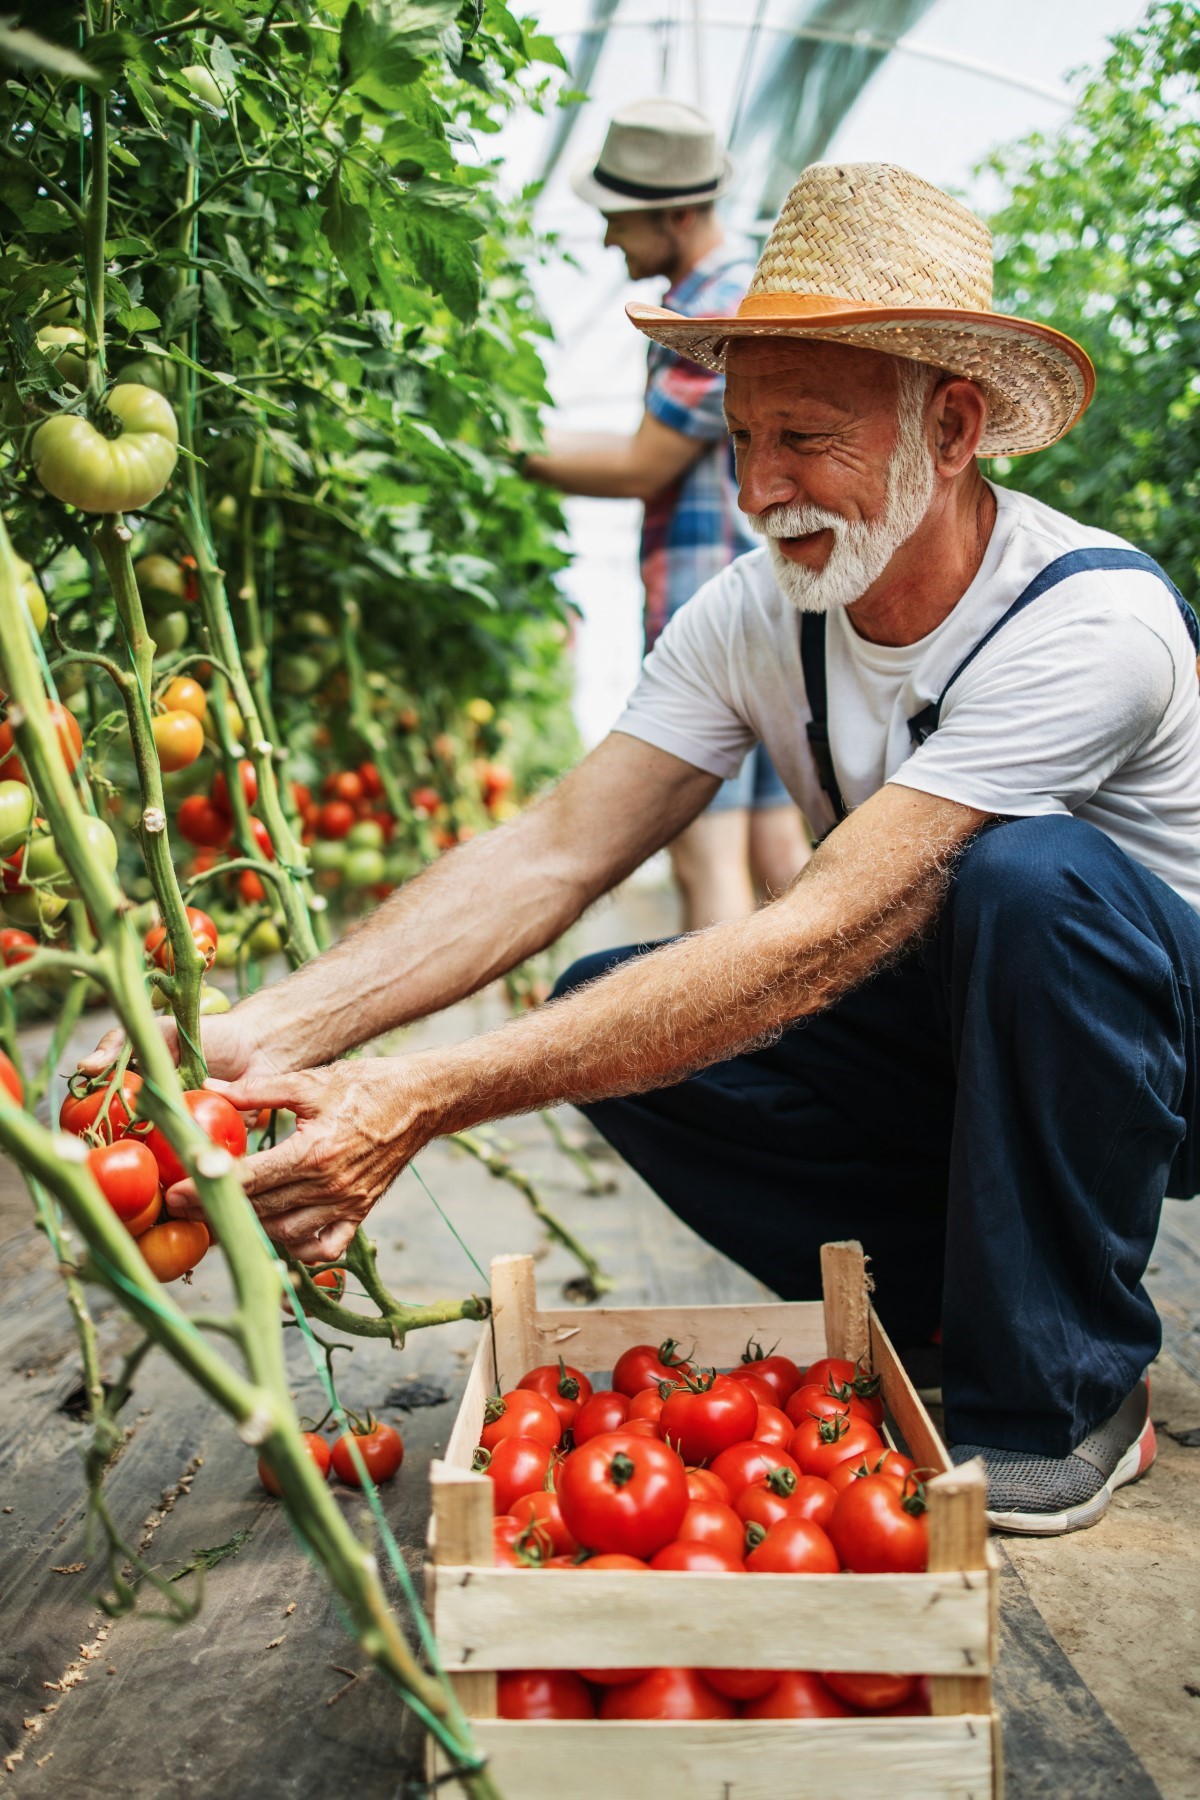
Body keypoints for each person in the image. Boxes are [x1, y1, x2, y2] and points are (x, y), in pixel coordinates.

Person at [86, 162, 1200, 1536]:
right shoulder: (760, 614)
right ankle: (963, 1306)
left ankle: (1072, 1386)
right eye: (742, 439)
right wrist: (264, 1034)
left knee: (1027, 882)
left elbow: (817, 937)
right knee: (601, 1003)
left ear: (955, 424)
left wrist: (423, 1095)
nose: (760, 486)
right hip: (969, 1038)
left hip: (1159, 1064)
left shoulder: (1088, 623)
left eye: (806, 437)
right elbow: (555, 850)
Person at [523, 97, 811, 928]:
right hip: (768, 604)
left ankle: (720, 1056)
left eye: (619, 218)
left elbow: (642, 463)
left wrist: (501, 447)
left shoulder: (709, 307)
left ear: (679, 213)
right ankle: (828, 1048)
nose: (611, 238)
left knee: (706, 855)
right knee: (774, 848)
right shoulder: (748, 286)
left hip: (706, 605)